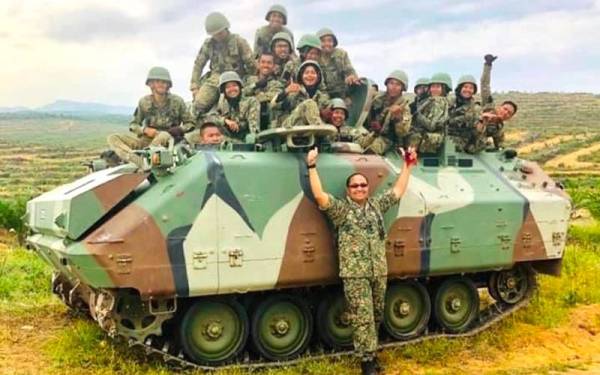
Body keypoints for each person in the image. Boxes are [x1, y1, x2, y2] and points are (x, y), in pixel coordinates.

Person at [306, 146, 418, 375]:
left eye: (363, 185)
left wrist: (407, 166)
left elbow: (397, 191)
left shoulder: (376, 206)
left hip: (378, 271)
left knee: (376, 314)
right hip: (355, 273)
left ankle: (372, 354)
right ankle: (366, 363)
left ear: (368, 188)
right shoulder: (342, 210)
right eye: (355, 185)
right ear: (348, 190)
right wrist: (311, 166)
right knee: (362, 317)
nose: (359, 188)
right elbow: (320, 195)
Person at [107, 67, 195, 166]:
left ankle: (147, 160)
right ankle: (138, 160)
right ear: (151, 84)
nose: (161, 84)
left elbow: (190, 124)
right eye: (158, 81)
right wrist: (144, 130)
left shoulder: (177, 101)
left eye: (164, 82)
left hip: (168, 141)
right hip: (147, 141)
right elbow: (134, 124)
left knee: (163, 135)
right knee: (113, 138)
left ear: (168, 85)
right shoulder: (144, 102)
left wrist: (178, 129)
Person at [190, 12, 256, 117]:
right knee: (199, 104)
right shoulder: (208, 44)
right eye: (215, 34)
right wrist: (194, 86)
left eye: (220, 33)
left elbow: (252, 65)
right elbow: (198, 65)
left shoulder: (239, 41)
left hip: (237, 77)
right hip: (216, 78)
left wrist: (251, 80)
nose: (218, 36)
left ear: (226, 28)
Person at [359, 70, 411, 155]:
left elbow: (403, 132)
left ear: (402, 88)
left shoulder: (404, 107)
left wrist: (398, 118)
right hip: (372, 133)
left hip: (389, 140)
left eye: (398, 85)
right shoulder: (378, 98)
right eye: (391, 83)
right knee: (355, 145)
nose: (393, 87)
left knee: (370, 153)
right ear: (387, 84)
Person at [472, 54, 517, 151]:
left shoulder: (498, 129)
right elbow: (485, 84)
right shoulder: (488, 106)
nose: (505, 113)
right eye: (505, 109)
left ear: (509, 117)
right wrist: (488, 65)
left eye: (509, 113)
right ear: (499, 107)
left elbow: (500, 146)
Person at [272, 60, 330, 128]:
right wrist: (286, 91)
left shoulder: (322, 97)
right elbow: (273, 105)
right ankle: (320, 130)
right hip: (291, 128)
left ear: (318, 77)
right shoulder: (294, 93)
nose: (310, 75)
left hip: (310, 131)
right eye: (306, 73)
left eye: (313, 73)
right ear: (301, 76)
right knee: (309, 103)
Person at [208, 71, 260, 142]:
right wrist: (226, 121)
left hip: (246, 139)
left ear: (239, 86)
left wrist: (253, 141)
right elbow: (210, 117)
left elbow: (254, 128)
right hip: (228, 139)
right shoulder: (222, 102)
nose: (232, 89)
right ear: (224, 90)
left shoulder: (251, 102)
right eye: (228, 87)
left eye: (234, 85)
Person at [408, 72, 451, 153]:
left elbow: (432, 126)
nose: (434, 89)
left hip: (431, 136)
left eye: (437, 87)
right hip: (425, 133)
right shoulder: (431, 100)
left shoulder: (440, 102)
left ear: (444, 89)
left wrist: (417, 116)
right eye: (432, 86)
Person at [243, 52, 285, 130]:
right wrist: (255, 85)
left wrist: (255, 97)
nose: (265, 65)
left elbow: (274, 97)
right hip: (248, 119)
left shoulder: (277, 83)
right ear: (258, 64)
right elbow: (241, 95)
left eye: (269, 63)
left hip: (269, 119)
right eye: (263, 62)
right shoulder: (249, 80)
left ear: (274, 66)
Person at [316, 27, 361, 99]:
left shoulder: (341, 54)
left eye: (330, 41)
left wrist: (351, 77)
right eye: (323, 41)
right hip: (323, 94)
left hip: (342, 93)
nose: (327, 44)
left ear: (334, 43)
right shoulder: (315, 57)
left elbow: (350, 70)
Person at [447, 73, 481, 153]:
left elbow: (476, 129)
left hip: (461, 139)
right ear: (460, 88)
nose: (468, 90)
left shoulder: (475, 108)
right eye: (465, 87)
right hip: (445, 135)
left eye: (471, 88)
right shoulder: (449, 101)